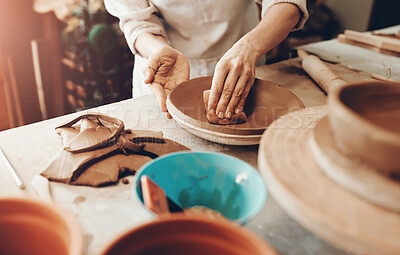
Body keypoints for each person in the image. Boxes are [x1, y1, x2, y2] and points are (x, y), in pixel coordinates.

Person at [104, 0, 308, 119]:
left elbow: (287, 4)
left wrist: (250, 47)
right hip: (167, 74)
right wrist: (159, 50)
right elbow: (138, 22)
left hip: (245, 59)